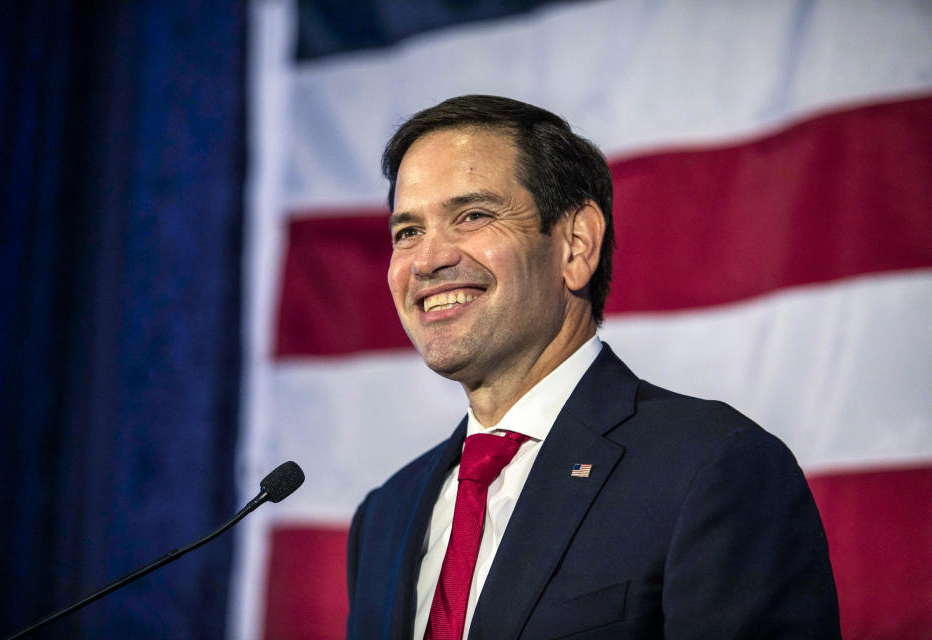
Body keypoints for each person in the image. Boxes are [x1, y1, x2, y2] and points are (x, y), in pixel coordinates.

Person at [345, 95, 840, 639]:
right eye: (406, 231)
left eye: (473, 216)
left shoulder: (712, 469)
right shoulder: (383, 519)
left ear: (576, 245)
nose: (426, 259)